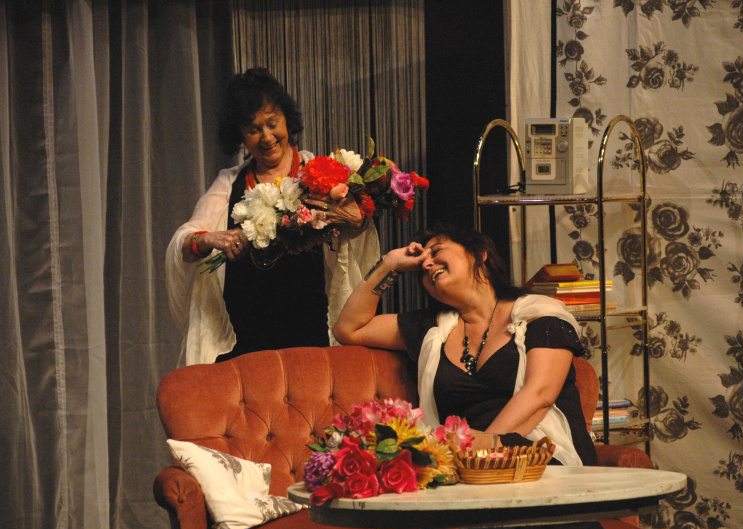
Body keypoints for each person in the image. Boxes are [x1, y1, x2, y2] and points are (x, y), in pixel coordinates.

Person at [333, 224, 597, 468]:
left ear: (479, 254)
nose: (426, 264)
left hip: (540, 456)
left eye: (437, 251)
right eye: (422, 265)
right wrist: (389, 264)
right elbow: (348, 328)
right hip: (467, 466)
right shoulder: (432, 329)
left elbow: (540, 394)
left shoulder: (539, 313)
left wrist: (483, 450)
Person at [166, 68, 379, 365]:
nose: (266, 137)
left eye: (272, 123)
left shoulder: (320, 173)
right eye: (253, 129)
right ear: (240, 135)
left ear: (286, 120)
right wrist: (208, 239)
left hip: (311, 337)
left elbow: (356, 232)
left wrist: (355, 219)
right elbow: (185, 243)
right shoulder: (229, 182)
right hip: (245, 344)